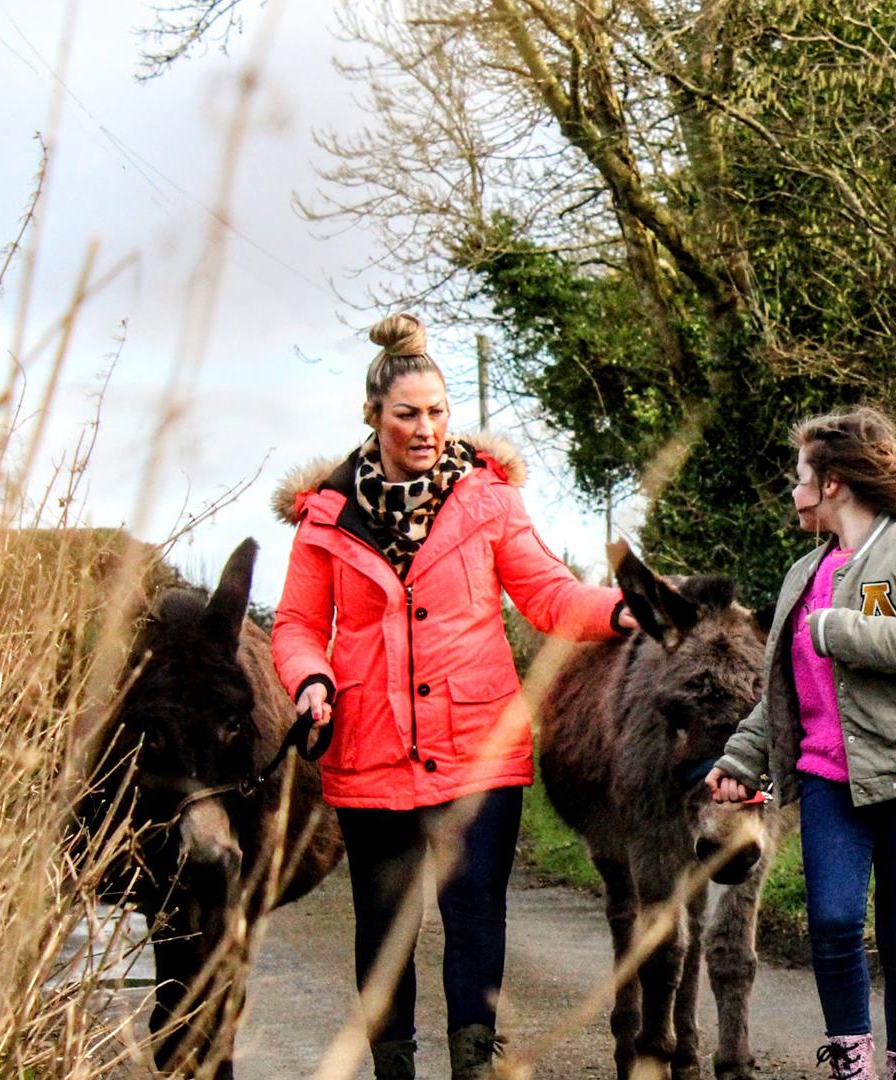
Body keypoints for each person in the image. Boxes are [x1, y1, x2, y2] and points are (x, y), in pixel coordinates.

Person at [271, 314, 635, 1080]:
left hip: (478, 748)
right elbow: (300, 623)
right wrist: (310, 679)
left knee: (475, 919)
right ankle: (393, 1069)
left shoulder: (489, 501)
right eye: (408, 414)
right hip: (368, 746)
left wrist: (621, 610)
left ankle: (477, 1065)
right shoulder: (326, 518)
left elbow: (548, 596)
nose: (426, 427)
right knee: (385, 924)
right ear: (374, 417)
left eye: (438, 411)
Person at [705, 407, 896, 1080]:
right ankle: (852, 1070)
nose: (794, 490)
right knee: (832, 924)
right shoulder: (806, 572)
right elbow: (788, 690)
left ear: (832, 482)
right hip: (831, 777)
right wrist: (739, 761)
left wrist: (840, 630)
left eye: (800, 476)